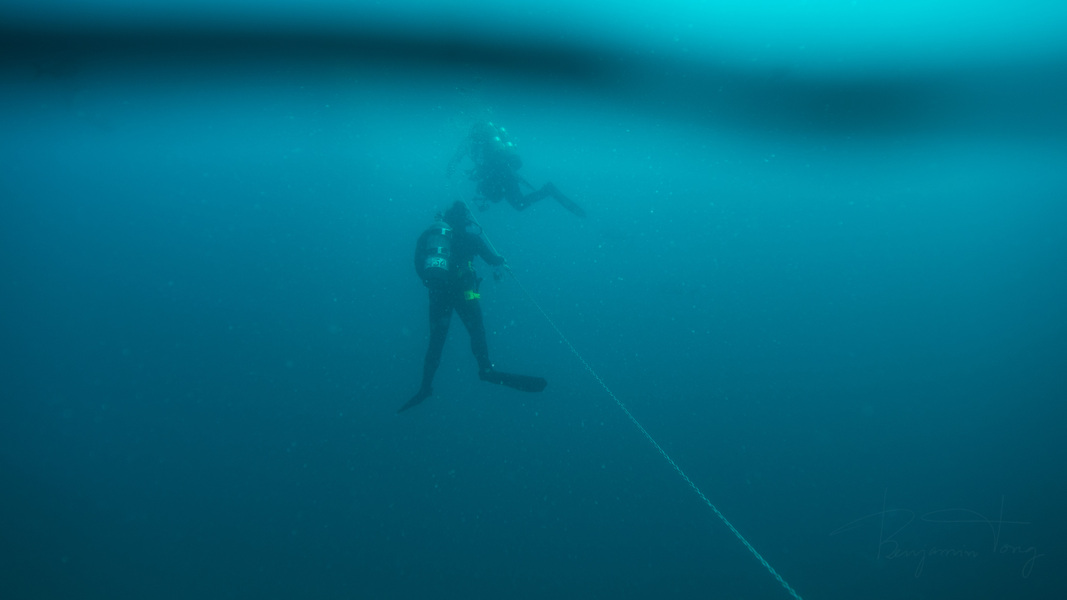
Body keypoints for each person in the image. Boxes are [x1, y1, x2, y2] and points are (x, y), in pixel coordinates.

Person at [400, 201, 547, 413]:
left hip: (439, 295)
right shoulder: (472, 239)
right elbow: (492, 259)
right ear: (466, 220)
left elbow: (418, 263)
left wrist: (431, 282)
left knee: (436, 341)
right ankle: (486, 369)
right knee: (477, 331)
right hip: (465, 295)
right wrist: (501, 260)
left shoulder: (430, 236)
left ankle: (425, 386)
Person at [446, 121, 586, 218]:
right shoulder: (481, 143)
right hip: (505, 174)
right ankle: (547, 190)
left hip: (501, 175)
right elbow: (481, 163)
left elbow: (468, 160)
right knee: (518, 203)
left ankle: (548, 190)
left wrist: (470, 173)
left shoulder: (473, 143)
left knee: (510, 201)